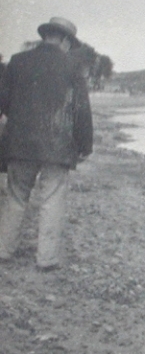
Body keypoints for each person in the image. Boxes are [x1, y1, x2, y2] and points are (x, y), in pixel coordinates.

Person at [0, 17, 93, 271]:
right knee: (52, 199)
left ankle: (4, 250)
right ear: (65, 40)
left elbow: (3, 103)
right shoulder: (73, 66)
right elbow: (81, 111)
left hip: (20, 144)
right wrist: (85, 145)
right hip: (57, 145)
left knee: (16, 197)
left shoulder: (17, 61)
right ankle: (46, 258)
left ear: (46, 36)